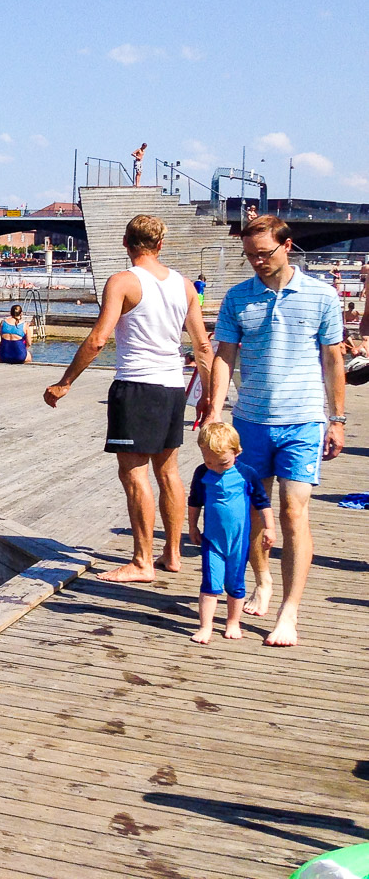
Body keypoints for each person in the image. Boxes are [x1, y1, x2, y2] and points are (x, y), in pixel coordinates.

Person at [44, 214, 212, 582]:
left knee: (134, 474)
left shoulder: (122, 282)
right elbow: (202, 345)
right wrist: (208, 396)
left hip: (136, 386)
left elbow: (98, 339)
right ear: (160, 245)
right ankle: (172, 553)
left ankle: (142, 561)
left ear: (126, 243)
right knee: (168, 472)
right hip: (171, 387)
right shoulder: (184, 286)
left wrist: (65, 381)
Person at [206, 214, 344, 647]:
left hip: (303, 418)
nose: (257, 262)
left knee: (293, 512)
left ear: (287, 246)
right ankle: (262, 579)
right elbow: (225, 356)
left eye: (263, 254)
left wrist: (337, 419)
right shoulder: (237, 297)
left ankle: (289, 610)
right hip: (250, 420)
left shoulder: (322, 296)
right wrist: (214, 409)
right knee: (251, 511)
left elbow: (334, 360)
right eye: (250, 256)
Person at [188, 422, 275, 646]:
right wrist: (192, 526)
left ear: (237, 452)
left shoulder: (247, 474)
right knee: (209, 584)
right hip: (212, 541)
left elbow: (262, 502)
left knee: (235, 584)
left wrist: (269, 527)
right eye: (209, 462)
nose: (215, 467)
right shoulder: (202, 473)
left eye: (223, 463)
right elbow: (195, 502)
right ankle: (205, 626)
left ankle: (233, 622)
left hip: (239, 541)